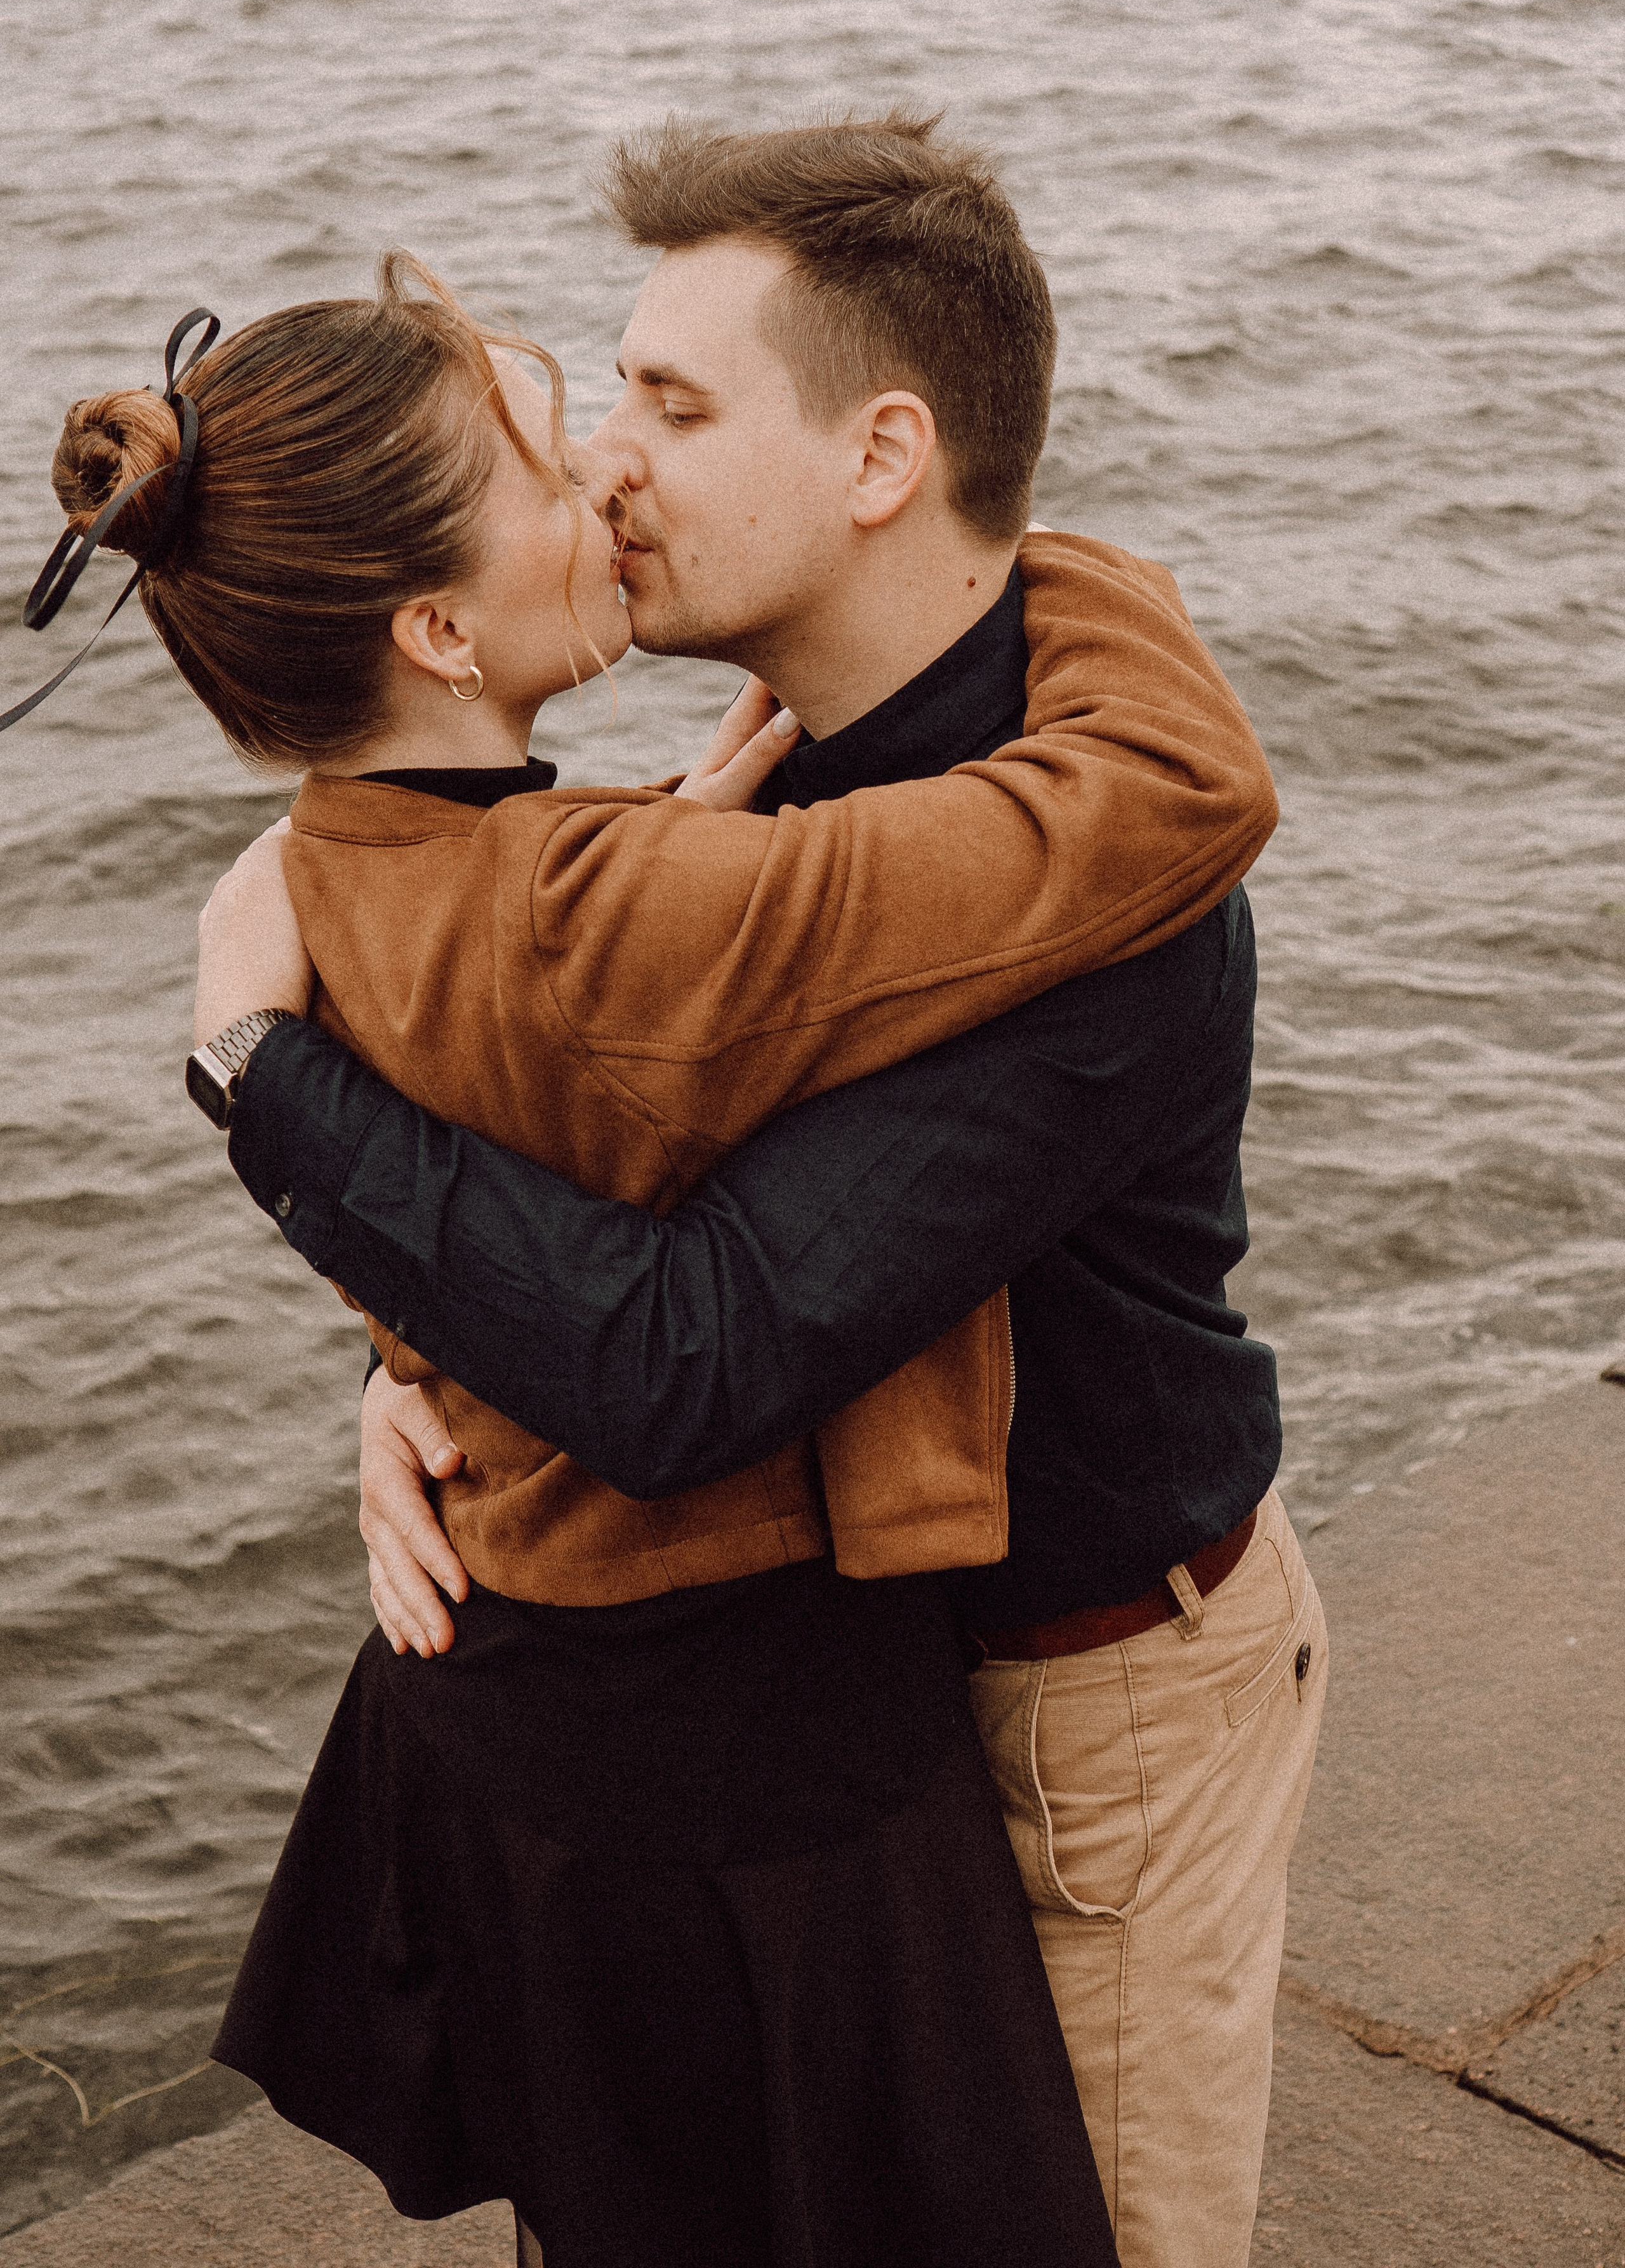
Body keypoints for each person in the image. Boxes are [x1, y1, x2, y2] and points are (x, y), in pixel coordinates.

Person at [39, 232, 1270, 2262]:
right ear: (439, 627)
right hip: (758, 1771)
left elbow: (534, 1145)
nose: (607, 472)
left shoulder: (336, 877)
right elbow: (1176, 789)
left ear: (881, 455)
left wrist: (317, 1149)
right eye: (573, 437)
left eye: (662, 409)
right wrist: (1068, 561)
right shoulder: (634, 899)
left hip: (633, 1723)